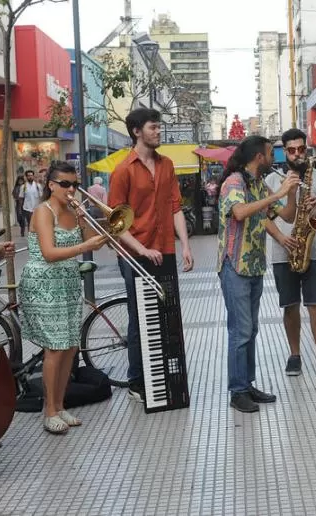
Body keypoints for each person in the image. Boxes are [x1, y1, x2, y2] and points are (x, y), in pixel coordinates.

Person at [108, 108, 195, 403]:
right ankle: (137, 379)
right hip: (136, 253)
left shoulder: (167, 164)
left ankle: (163, 376)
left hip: (164, 250)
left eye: (159, 127)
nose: (159, 132)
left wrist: (184, 245)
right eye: (153, 128)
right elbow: (116, 223)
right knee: (139, 314)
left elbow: (175, 208)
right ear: (136, 131)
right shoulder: (123, 170)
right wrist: (142, 249)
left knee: (165, 313)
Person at [19, 162, 106, 434]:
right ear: (52, 185)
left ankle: (60, 404)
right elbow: (48, 252)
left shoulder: (72, 211)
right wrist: (83, 245)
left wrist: (83, 219)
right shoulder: (42, 212)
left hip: (67, 282)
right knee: (55, 347)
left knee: (70, 346)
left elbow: (92, 241)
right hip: (44, 283)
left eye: (75, 185)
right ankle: (49, 411)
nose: (71, 190)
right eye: (66, 184)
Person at [217, 136, 299, 413]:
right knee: (240, 330)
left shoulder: (258, 184)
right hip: (235, 264)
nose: (273, 159)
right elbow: (239, 212)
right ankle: (237, 391)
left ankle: (247, 384)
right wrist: (275, 194)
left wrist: (291, 191)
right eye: (269, 153)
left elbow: (287, 216)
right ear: (258, 157)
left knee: (251, 329)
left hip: (254, 265)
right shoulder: (234, 182)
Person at [264, 128, 316, 381]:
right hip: (283, 251)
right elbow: (266, 218)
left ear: (306, 149)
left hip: (314, 249)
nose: (297, 154)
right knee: (290, 306)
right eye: (291, 150)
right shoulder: (272, 181)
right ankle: (294, 355)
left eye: (301, 149)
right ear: (284, 152)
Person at [20, 170, 42, 237]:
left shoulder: (38, 186)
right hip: (27, 208)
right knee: (30, 223)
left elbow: (41, 196)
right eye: (28, 176)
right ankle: (31, 237)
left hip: (37, 208)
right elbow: (21, 197)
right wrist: (21, 208)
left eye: (31, 175)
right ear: (26, 177)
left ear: (33, 176)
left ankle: (38, 236)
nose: (30, 177)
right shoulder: (23, 187)